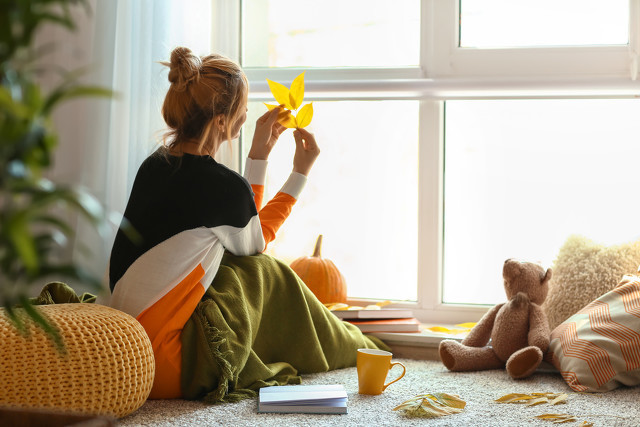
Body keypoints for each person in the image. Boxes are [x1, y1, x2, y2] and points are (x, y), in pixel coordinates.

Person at [108, 47, 384, 401]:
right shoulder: (223, 186)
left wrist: (258, 156)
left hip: (130, 356)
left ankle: (348, 341)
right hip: (170, 366)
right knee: (263, 270)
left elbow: (237, 224)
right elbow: (254, 245)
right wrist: (299, 173)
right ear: (222, 121)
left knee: (228, 261)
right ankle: (355, 346)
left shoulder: (153, 165)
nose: (246, 114)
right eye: (243, 106)